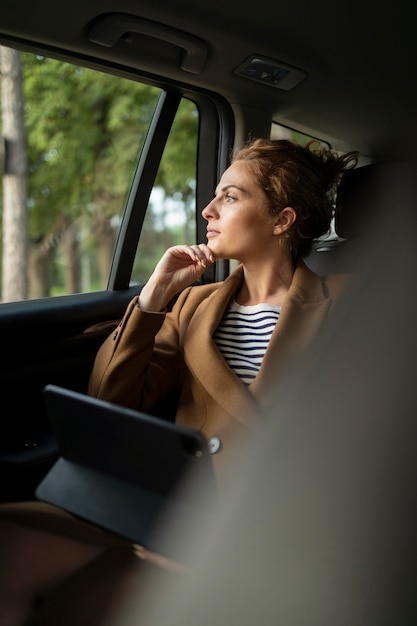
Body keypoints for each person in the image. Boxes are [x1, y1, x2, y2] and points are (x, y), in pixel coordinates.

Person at [0, 138, 358, 625]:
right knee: (10, 539)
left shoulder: (352, 301)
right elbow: (109, 400)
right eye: (215, 195)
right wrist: (153, 298)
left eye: (231, 197)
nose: (208, 209)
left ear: (282, 220)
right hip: (167, 510)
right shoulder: (193, 305)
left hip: (277, 523)